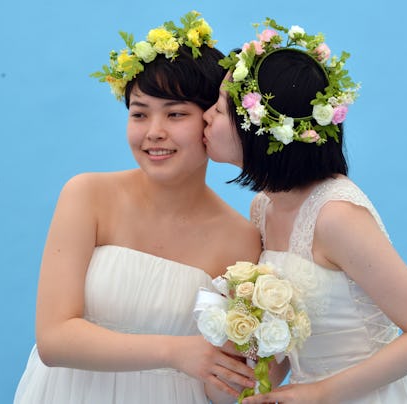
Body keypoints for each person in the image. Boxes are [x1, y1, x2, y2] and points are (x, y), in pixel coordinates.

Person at [14, 11, 261, 404]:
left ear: (212, 120)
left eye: (175, 114)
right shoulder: (88, 196)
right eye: (139, 114)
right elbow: (54, 339)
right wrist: (175, 352)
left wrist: (266, 349)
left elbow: (223, 386)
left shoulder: (241, 239)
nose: (154, 132)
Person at [203, 18, 407, 403]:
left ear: (257, 131)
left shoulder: (336, 216)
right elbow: (293, 340)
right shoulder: (263, 207)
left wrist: (320, 392)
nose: (206, 116)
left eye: (220, 109)